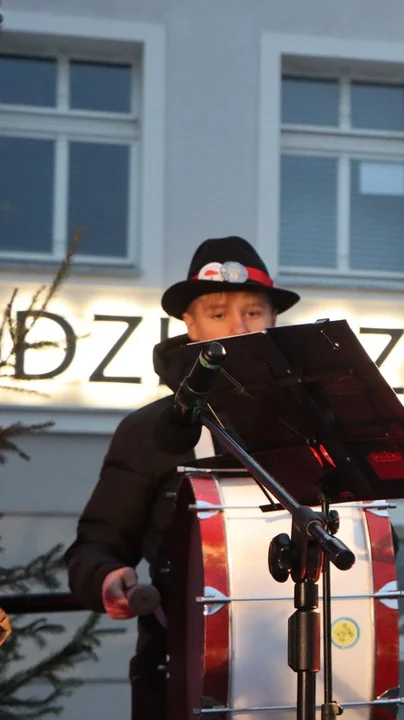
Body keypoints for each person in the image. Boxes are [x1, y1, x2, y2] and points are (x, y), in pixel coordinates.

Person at [64, 236, 301, 720]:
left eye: (254, 313)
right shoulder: (149, 431)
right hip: (178, 666)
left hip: (300, 665)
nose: (238, 328)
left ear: (272, 321)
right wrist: (107, 578)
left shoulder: (312, 424)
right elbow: (95, 546)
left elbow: (375, 545)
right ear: (189, 325)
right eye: (218, 314)